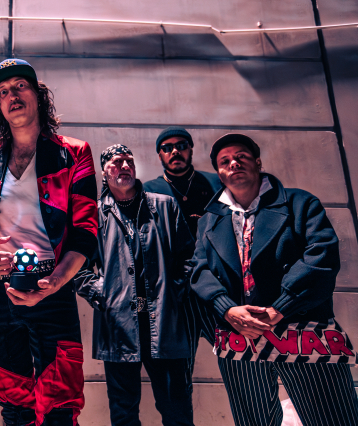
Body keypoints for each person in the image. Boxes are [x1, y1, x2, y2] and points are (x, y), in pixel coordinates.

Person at [0, 59, 98, 426]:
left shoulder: (74, 152)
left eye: (20, 86)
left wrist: (56, 282)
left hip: (53, 285)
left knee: (61, 402)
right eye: (3, 92)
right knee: (13, 402)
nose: (12, 95)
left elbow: (86, 231)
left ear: (38, 95)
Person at [190, 133, 358, 426]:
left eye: (241, 156)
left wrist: (280, 307)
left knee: (333, 417)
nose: (233, 163)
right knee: (254, 421)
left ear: (258, 162)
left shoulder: (299, 202)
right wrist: (227, 309)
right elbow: (199, 270)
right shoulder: (209, 218)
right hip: (240, 336)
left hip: (301, 330)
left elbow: (321, 257)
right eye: (224, 161)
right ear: (219, 173)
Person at [76, 144, 196, 426]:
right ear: (103, 172)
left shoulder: (164, 205)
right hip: (117, 326)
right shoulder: (93, 215)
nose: (124, 166)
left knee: (177, 410)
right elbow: (77, 267)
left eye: (129, 161)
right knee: (123, 412)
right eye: (116, 162)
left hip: (164, 323)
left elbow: (190, 256)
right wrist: (101, 293)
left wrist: (175, 291)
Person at [143, 127, 221, 376]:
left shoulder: (216, 183)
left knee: (237, 359)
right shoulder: (148, 190)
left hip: (217, 286)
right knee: (179, 372)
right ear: (159, 155)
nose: (175, 151)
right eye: (167, 148)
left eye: (181, 145)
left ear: (191, 149)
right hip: (177, 294)